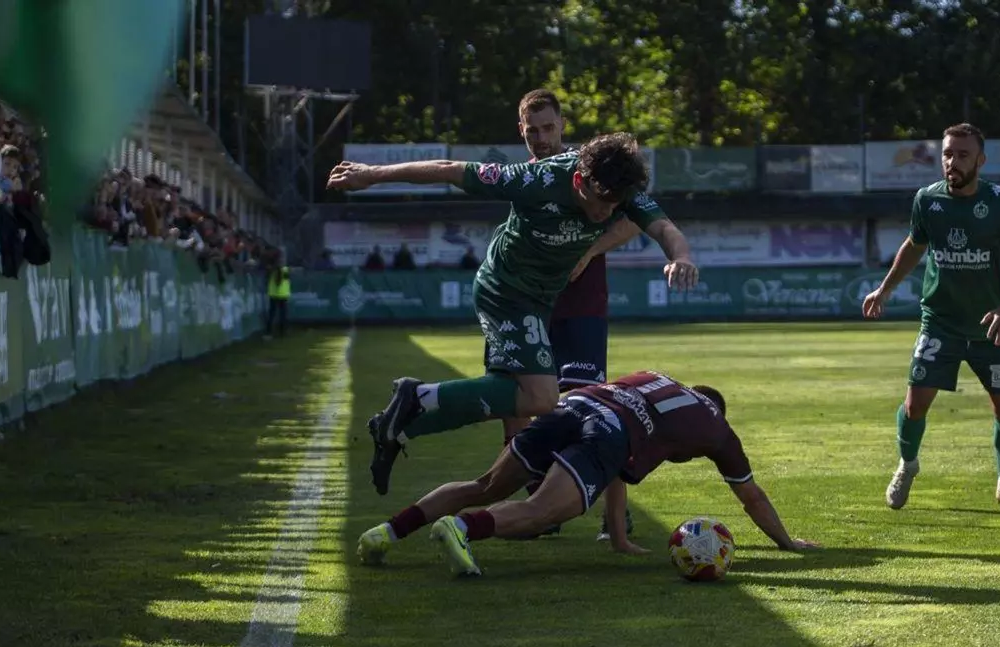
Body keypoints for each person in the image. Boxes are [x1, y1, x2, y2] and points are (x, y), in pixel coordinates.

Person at [327, 132, 698, 497]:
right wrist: (371, 174)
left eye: (615, 204)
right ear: (578, 181)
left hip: (540, 299)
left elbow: (665, 228)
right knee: (542, 398)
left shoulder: (618, 187)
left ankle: (398, 427)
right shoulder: (536, 179)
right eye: (601, 202)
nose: (607, 212)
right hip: (505, 292)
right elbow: (449, 169)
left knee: (508, 396)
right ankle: (419, 395)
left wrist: (680, 257)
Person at [355, 371, 817, 576]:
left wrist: (619, 538)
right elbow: (752, 496)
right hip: (611, 430)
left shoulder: (653, 377)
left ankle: (386, 533)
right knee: (542, 511)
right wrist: (787, 542)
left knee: (485, 485)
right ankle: (460, 529)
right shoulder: (718, 430)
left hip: (572, 406)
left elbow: (616, 474)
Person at [861, 123, 1000, 512]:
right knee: (915, 405)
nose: (952, 162)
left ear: (981, 160)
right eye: (947, 154)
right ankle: (907, 465)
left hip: (991, 328)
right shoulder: (927, 200)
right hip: (940, 323)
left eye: (962, 155)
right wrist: (884, 289)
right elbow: (914, 245)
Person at [507, 89, 661, 542]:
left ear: (562, 125)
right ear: (521, 131)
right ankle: (538, 506)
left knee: (593, 408)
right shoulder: (522, 178)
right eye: (532, 131)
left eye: (548, 127)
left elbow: (635, 219)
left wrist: (589, 250)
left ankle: (616, 518)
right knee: (515, 407)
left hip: (581, 308)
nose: (541, 137)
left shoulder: (593, 171)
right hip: (530, 308)